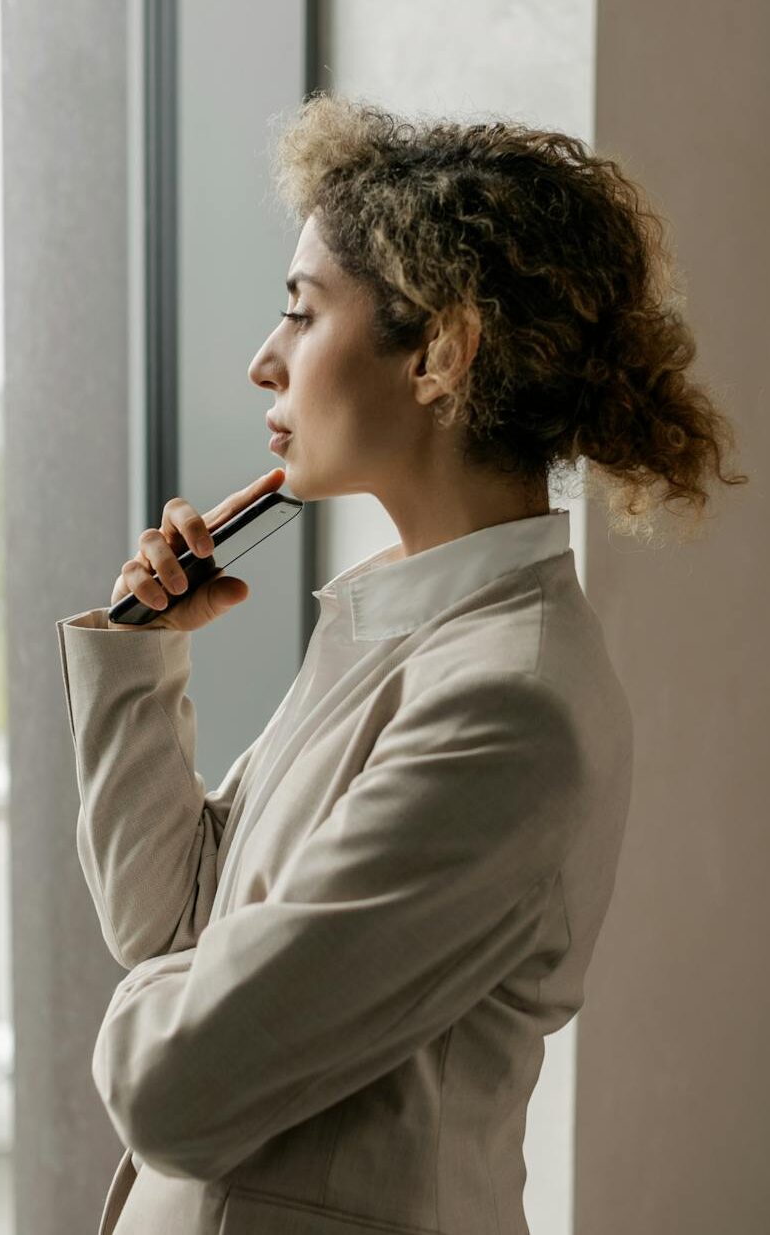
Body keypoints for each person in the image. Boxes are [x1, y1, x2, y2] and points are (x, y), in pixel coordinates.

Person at [55, 93, 747, 1235]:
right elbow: (165, 921)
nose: (260, 362)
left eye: (299, 312)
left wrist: (187, 998)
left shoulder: (506, 703)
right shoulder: (399, 632)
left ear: (438, 351)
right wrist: (139, 658)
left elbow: (173, 1088)